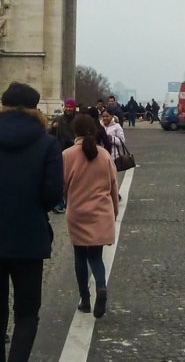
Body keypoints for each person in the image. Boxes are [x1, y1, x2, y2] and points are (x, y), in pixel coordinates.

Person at [0, 82, 63, 362]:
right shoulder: (47, 143)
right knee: (26, 313)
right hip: (28, 239)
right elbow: (53, 194)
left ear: (4, 107)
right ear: (36, 109)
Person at [62, 114, 120, 318]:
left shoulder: (67, 155)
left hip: (78, 212)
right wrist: (114, 211)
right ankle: (101, 287)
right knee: (95, 257)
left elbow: (62, 186)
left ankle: (85, 299)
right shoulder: (104, 155)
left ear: (74, 132)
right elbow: (113, 186)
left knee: (79, 256)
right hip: (100, 211)